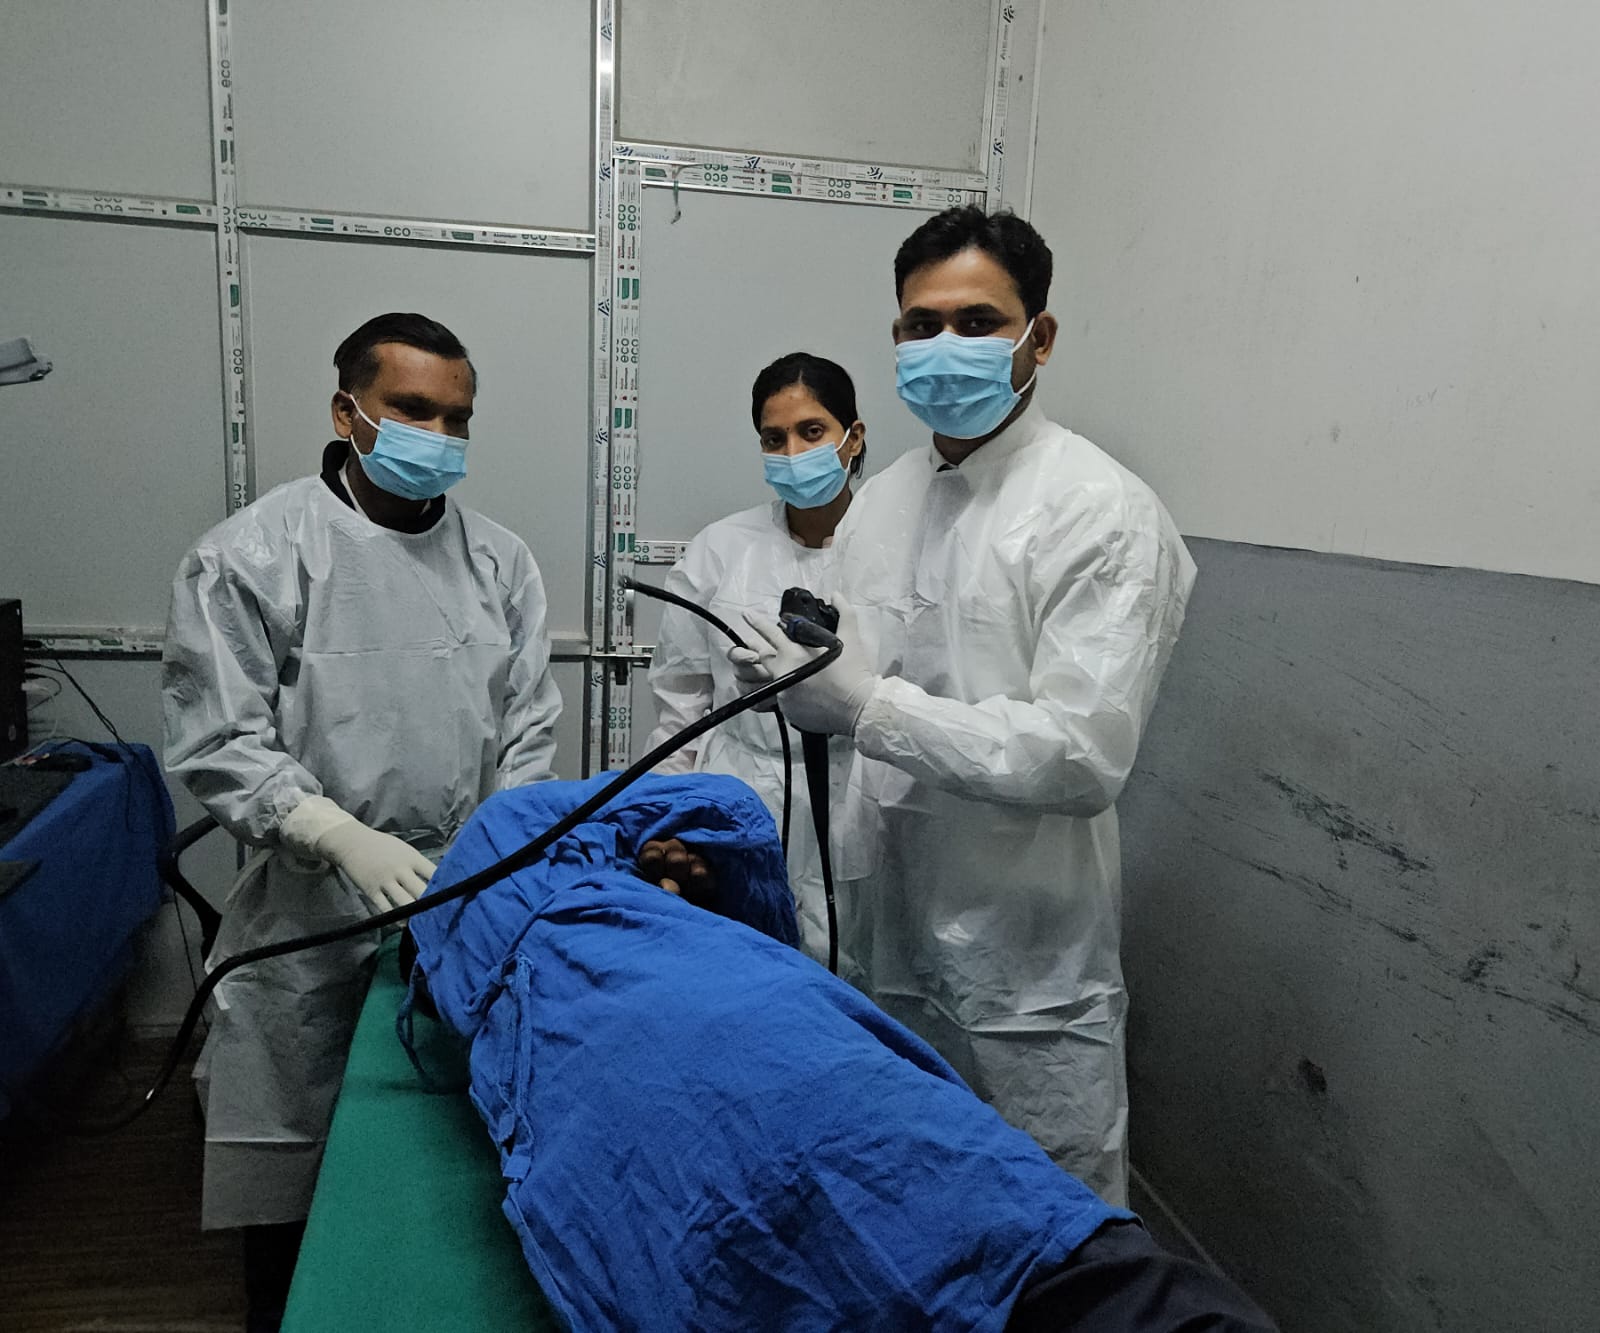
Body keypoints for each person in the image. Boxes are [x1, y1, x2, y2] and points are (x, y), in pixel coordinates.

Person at [402, 772, 1273, 1331]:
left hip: (606, 1136)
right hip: (769, 1046)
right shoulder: (533, 826)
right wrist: (720, 892)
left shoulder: (472, 997)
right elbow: (734, 811)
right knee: (991, 1234)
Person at [731, 207, 1197, 1206]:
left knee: (1048, 1233)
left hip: (1021, 974)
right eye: (921, 323)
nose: (945, 345)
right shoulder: (884, 498)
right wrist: (796, 683)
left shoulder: (1099, 511)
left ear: (1041, 336)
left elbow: (1081, 754)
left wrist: (866, 707)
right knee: (898, 1204)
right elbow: (848, 692)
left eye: (978, 322)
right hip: (881, 939)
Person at [161, 312, 562, 1332]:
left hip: (462, 906)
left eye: (457, 418)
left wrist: (491, 856)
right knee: (293, 1180)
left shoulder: (501, 562)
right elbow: (220, 739)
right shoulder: (252, 556)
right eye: (413, 410)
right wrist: (335, 832)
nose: (440, 435)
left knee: (445, 1171)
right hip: (306, 917)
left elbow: (529, 735)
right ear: (348, 412)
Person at [644, 352, 870, 962]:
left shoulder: (892, 549)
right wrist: (663, 818)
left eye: (812, 431)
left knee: (853, 972)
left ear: (853, 438)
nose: (793, 452)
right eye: (775, 438)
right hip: (736, 802)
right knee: (740, 968)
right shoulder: (721, 550)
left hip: (858, 806)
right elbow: (681, 710)